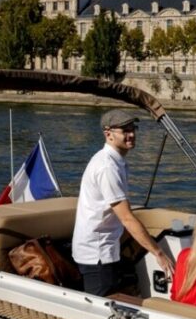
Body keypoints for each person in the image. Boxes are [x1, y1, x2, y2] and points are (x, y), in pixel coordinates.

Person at [72, 109, 174, 296]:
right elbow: (127, 218)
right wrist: (158, 253)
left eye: (133, 128)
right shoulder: (107, 167)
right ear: (108, 134)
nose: (132, 134)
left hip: (105, 248)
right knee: (102, 311)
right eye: (125, 130)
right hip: (98, 253)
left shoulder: (115, 162)